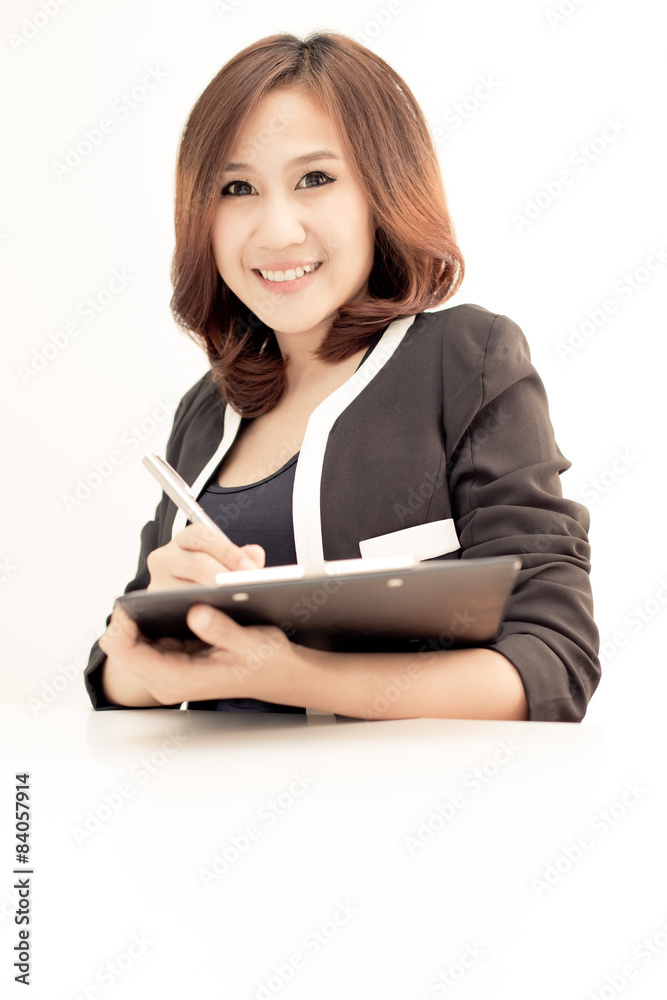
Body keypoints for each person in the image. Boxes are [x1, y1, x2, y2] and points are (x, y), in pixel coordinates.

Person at [84, 31, 600, 722]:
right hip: (205, 818)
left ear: (382, 190)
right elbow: (115, 682)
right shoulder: (205, 411)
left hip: (405, 821)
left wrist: (294, 676)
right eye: (236, 188)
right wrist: (151, 635)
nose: (275, 230)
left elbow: (553, 663)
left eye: (315, 179)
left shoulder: (465, 360)